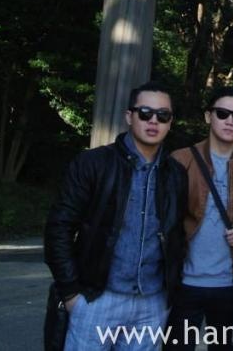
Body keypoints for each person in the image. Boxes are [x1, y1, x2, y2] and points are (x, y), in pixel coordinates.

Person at [44, 81, 188, 351]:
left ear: (170, 122)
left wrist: (170, 292)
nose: (153, 121)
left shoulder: (176, 174)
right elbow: (59, 227)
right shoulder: (93, 163)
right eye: (145, 113)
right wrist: (71, 291)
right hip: (96, 298)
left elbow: (177, 235)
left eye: (162, 115)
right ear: (129, 116)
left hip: (152, 303)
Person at [166, 86, 233, 350]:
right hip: (184, 281)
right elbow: (163, 220)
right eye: (222, 113)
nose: (230, 120)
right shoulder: (180, 160)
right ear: (209, 116)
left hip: (230, 285)